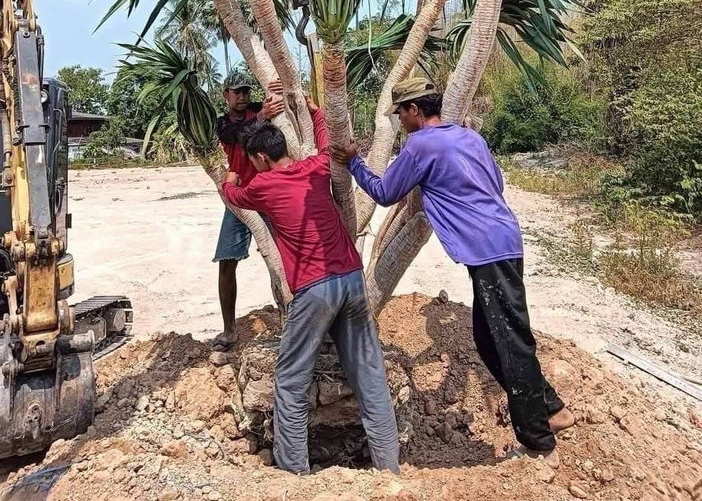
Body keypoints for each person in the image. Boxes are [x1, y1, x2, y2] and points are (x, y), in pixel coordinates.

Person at [332, 77, 574, 469]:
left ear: (413, 110)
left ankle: (538, 441)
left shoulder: (421, 145)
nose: (401, 122)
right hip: (502, 239)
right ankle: (550, 406)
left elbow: (384, 192)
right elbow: (494, 183)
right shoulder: (469, 137)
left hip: (486, 249)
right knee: (487, 338)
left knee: (510, 342)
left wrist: (353, 163)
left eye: (402, 114)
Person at [221, 97, 400, 476]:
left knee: (290, 380)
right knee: (370, 376)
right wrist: (318, 112)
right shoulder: (316, 169)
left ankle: (294, 473)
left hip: (315, 291)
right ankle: (389, 468)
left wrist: (230, 178)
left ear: (262, 159)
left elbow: (234, 194)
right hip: (352, 280)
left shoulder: (262, 187)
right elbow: (326, 146)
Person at [212, 76, 284, 351]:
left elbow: (281, 109)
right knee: (227, 261)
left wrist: (278, 91)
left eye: (245, 91)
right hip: (240, 199)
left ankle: (288, 318)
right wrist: (263, 117)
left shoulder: (259, 108)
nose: (242, 96)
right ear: (226, 95)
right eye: (236, 92)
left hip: (268, 195)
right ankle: (229, 330)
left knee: (281, 260)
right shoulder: (223, 123)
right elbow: (238, 136)